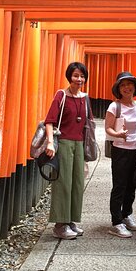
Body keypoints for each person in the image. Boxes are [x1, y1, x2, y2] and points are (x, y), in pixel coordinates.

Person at [44, 62, 91, 240]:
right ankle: (60, 224)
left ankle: (71, 220)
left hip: (78, 144)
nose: (79, 79)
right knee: (63, 182)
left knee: (77, 183)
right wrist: (50, 142)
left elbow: (87, 125)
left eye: (82, 76)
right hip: (63, 142)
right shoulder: (61, 95)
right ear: (69, 77)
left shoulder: (85, 98)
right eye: (75, 75)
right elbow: (50, 120)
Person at [105, 72, 136, 238]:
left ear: (135, 87)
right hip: (120, 149)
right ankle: (116, 222)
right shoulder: (114, 107)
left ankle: (127, 214)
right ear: (118, 89)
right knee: (119, 185)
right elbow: (107, 127)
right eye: (123, 85)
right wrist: (117, 134)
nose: (126, 88)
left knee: (132, 185)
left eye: (129, 84)